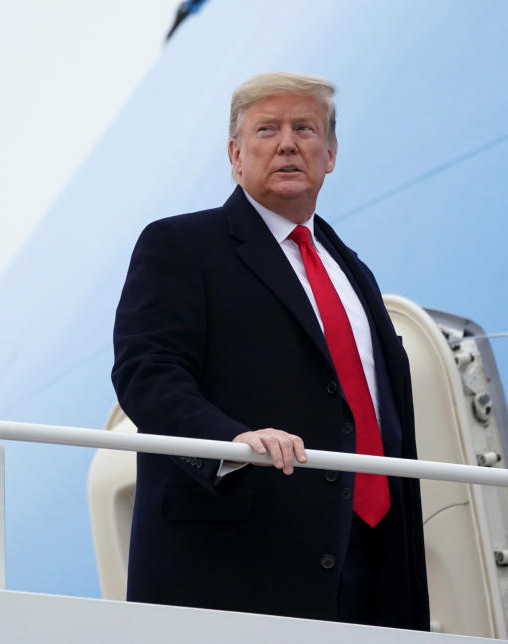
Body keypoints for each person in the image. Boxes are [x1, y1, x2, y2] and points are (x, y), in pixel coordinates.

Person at [111, 72, 429, 630]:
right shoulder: (181, 246)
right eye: (267, 129)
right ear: (236, 155)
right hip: (239, 563)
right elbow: (147, 372)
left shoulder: (353, 271)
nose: (287, 143)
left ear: (329, 154)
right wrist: (228, 440)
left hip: (373, 564)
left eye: (304, 128)